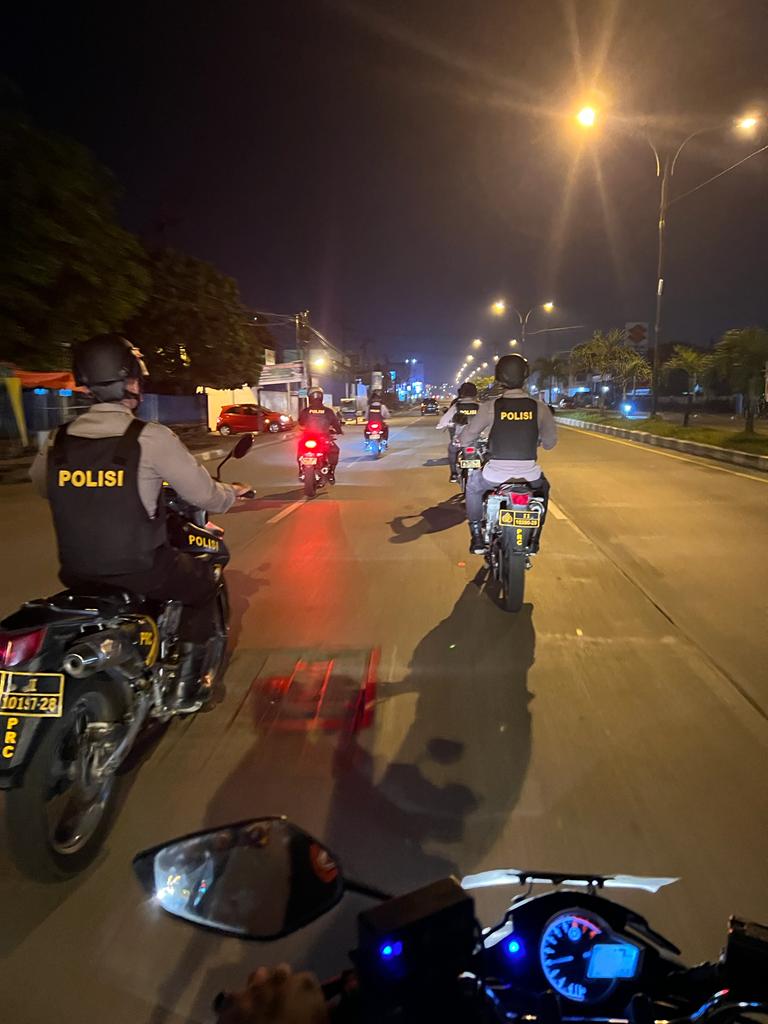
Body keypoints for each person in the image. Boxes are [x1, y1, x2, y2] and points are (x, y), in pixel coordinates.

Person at [29, 334, 252, 708]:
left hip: (76, 571)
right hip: (141, 567)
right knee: (203, 583)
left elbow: (45, 486)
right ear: (131, 382)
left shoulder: (58, 439)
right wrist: (232, 492)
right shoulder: (150, 437)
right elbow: (204, 495)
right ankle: (187, 687)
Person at [460, 353, 557, 555]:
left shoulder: (490, 407)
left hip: (494, 475)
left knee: (472, 487)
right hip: (529, 475)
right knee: (545, 488)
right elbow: (549, 444)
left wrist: (465, 441)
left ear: (499, 377)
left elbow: (468, 437)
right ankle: (535, 540)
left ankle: (477, 536)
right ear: (525, 375)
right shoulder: (540, 408)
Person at [436, 381, 480, 482]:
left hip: (460, 440)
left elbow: (443, 421)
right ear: (475, 393)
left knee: (452, 450)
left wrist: (441, 425)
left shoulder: (456, 406)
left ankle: (454, 474)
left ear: (462, 393)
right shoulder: (480, 406)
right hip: (476, 440)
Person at [297, 387, 343, 483]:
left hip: (307, 438)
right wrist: (339, 431)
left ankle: (301, 470)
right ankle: (331, 473)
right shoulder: (328, 411)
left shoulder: (305, 411)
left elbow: (301, 423)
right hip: (323, 437)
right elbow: (335, 423)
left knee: (300, 450)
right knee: (334, 450)